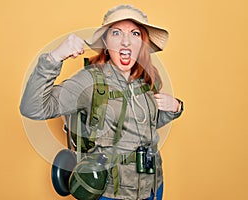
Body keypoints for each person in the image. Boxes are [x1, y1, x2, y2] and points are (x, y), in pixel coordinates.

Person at [20, 4, 183, 200]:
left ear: (142, 42)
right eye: (116, 33)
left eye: (134, 34)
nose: (126, 42)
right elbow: (33, 107)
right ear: (105, 41)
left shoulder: (148, 77)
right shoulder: (89, 80)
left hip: (153, 187)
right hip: (111, 193)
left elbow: (145, 126)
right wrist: (55, 57)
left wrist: (175, 108)